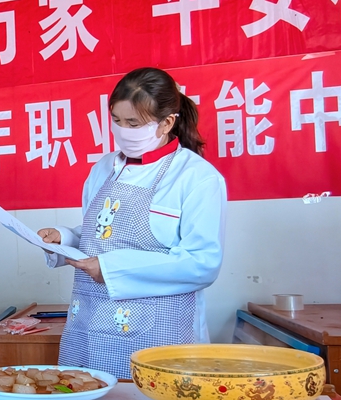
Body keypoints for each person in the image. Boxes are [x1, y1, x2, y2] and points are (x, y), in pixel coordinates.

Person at [38, 67, 226, 379]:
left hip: (159, 332)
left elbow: (202, 263)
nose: (123, 130)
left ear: (166, 122)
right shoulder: (103, 168)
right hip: (91, 325)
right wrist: (65, 238)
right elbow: (102, 235)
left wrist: (111, 269)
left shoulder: (196, 177)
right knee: (89, 397)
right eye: (117, 120)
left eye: (134, 123)